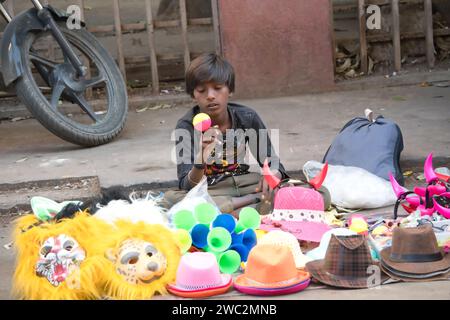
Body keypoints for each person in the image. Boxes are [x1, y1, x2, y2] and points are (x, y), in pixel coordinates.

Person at [163, 53, 288, 216]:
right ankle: (251, 205)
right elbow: (186, 186)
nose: (210, 95)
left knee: (319, 193)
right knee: (170, 200)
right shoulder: (186, 126)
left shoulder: (247, 117)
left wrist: (271, 174)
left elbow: (275, 164)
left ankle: (226, 213)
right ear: (194, 94)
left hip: (246, 183)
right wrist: (201, 159)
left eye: (218, 88)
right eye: (202, 90)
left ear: (230, 90)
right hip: (211, 189)